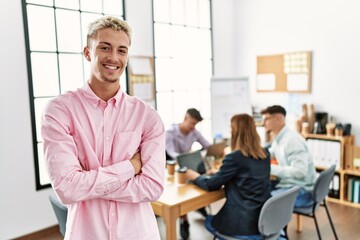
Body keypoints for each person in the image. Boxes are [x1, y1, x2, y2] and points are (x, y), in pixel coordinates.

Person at [41, 16, 165, 240]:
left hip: (138, 233)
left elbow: (152, 187)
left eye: (122, 50)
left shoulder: (147, 116)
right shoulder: (59, 111)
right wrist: (129, 167)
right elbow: (67, 189)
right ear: (88, 53)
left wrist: (86, 184)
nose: (114, 57)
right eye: (105, 48)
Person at [186, 114, 271, 239]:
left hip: (242, 225)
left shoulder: (234, 157)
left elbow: (211, 185)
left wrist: (195, 177)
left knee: (208, 222)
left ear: (235, 132)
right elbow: (246, 174)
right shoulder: (265, 153)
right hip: (263, 220)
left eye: (231, 128)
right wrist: (222, 173)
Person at [165, 108, 211, 239]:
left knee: (199, 181)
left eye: (195, 124)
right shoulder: (170, 132)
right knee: (180, 195)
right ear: (185, 118)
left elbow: (207, 145)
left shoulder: (194, 131)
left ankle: (199, 206)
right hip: (173, 166)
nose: (193, 127)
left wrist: (209, 150)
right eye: (192, 123)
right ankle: (184, 221)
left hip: (188, 164)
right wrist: (188, 157)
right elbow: (172, 153)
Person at [261, 105, 316, 207]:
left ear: (278, 118)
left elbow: (300, 172)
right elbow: (271, 154)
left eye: (266, 119)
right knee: (256, 193)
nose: (262, 123)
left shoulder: (291, 140)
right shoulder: (280, 138)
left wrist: (269, 168)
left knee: (264, 204)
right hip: (290, 185)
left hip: (302, 191)